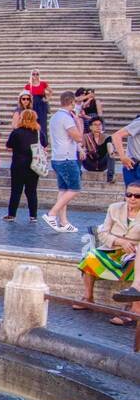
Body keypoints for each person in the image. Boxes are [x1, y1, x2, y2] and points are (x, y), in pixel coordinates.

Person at [78, 185, 140, 324]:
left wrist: (133, 246)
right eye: (129, 194)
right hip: (113, 247)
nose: (132, 198)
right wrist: (119, 241)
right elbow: (103, 232)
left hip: (135, 251)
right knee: (91, 257)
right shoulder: (115, 208)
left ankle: (135, 309)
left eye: (137, 196)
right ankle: (88, 298)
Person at [45, 89, 85, 233]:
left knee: (63, 190)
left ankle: (63, 221)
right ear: (72, 102)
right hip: (67, 158)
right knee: (74, 188)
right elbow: (79, 137)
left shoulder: (55, 117)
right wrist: (78, 122)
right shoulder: (67, 118)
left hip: (57, 157)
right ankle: (52, 214)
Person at [4, 108, 42, 223]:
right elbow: (44, 144)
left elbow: (8, 145)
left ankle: (11, 215)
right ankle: (33, 216)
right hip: (34, 165)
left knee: (16, 191)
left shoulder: (16, 132)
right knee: (32, 191)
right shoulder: (38, 132)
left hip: (18, 165)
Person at [24, 71, 51, 135]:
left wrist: (47, 99)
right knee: (32, 122)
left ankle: (44, 142)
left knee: (43, 124)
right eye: (33, 74)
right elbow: (24, 95)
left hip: (42, 105)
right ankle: (33, 139)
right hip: (32, 104)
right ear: (31, 75)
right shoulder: (28, 85)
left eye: (37, 74)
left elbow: (50, 91)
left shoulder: (43, 83)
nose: (35, 76)